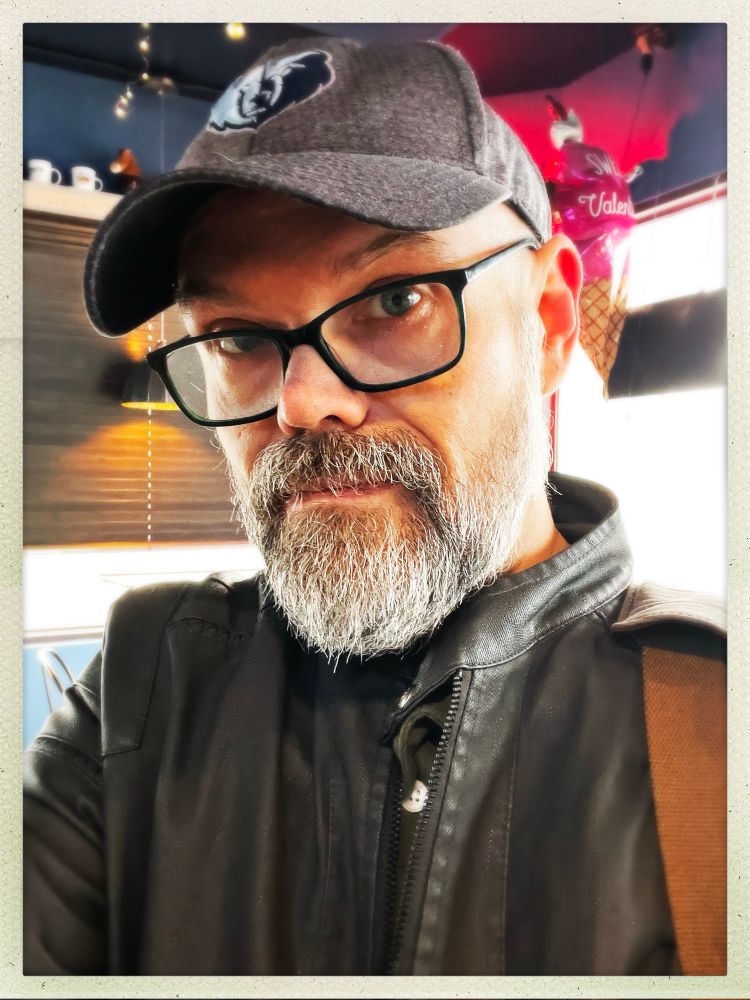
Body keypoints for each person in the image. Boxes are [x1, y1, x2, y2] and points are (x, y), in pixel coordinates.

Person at [23, 36, 726, 976]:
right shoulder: (140, 697)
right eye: (235, 337)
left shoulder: (715, 725)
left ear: (551, 325)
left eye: (395, 301)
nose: (303, 403)